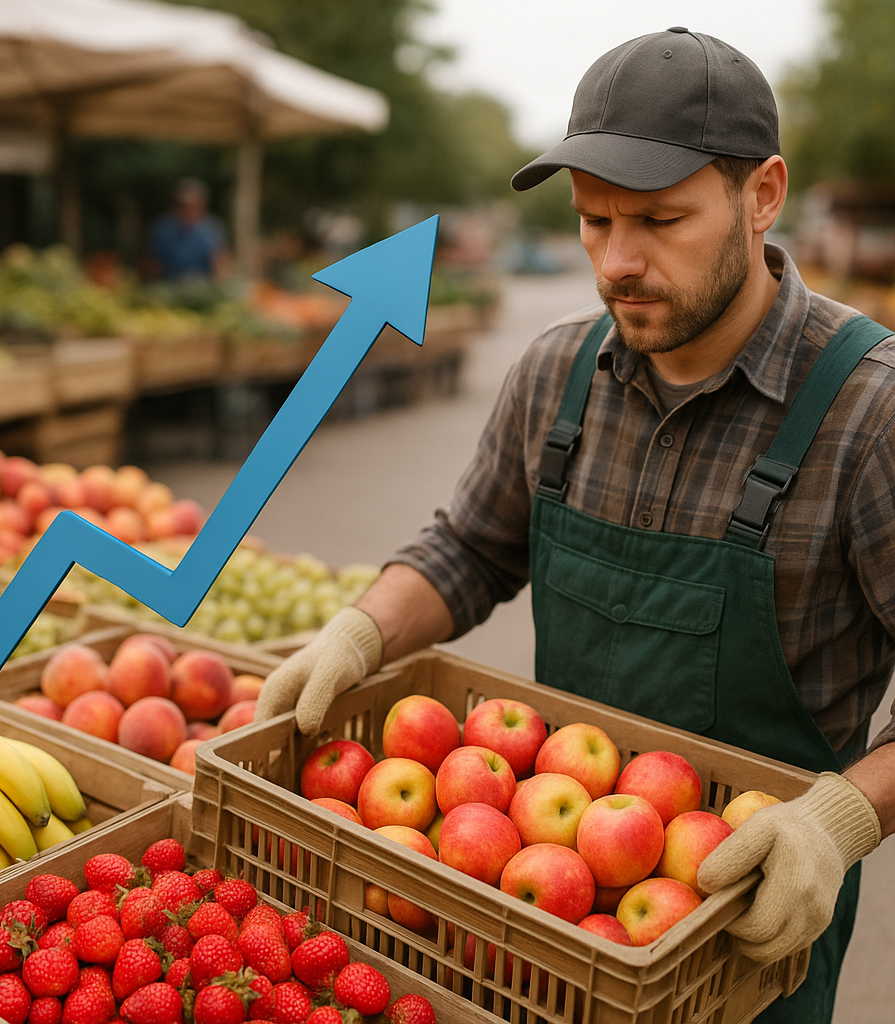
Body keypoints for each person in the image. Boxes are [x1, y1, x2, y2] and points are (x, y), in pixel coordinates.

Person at [253, 26, 895, 1023]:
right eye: (593, 222)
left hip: (746, 932)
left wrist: (843, 819)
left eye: (658, 220)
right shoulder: (557, 372)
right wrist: (361, 629)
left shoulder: (868, 413)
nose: (617, 262)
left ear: (762, 195)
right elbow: (469, 545)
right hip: (549, 910)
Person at [146, 177, 229, 282]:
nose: (187, 212)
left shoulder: (212, 229)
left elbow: (221, 263)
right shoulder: (162, 229)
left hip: (203, 286)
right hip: (168, 285)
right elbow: (150, 263)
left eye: (193, 207)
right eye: (182, 206)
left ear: (202, 207)